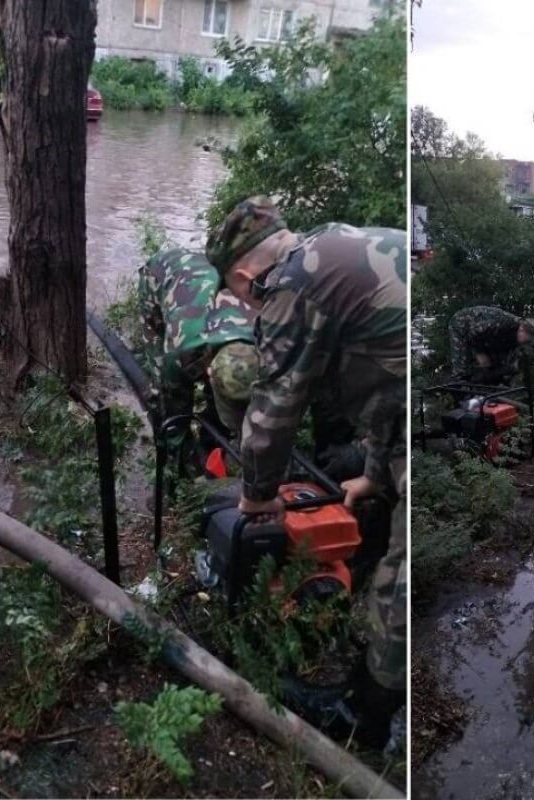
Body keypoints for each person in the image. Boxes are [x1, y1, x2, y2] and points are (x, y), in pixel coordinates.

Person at [206, 195, 407, 748]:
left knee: (401, 574)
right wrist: (374, 474)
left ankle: (365, 717)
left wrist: (255, 496)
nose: (250, 309)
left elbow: (275, 407)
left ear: (246, 276)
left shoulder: (292, 285)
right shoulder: (333, 242)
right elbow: (391, 389)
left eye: (241, 296)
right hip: (407, 412)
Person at [138, 248, 260, 470]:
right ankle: (174, 466)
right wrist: (179, 457)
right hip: (160, 274)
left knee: (225, 399)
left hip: (206, 278)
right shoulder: (180, 350)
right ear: (209, 372)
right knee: (160, 394)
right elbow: (174, 410)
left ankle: (211, 441)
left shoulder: (268, 334)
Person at [448, 305, 534, 385]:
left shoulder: (515, 332)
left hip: (483, 334)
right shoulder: (502, 323)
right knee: (461, 368)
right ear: (522, 328)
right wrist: (480, 353)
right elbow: (474, 333)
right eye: (528, 337)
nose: (528, 341)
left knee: (494, 367)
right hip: (463, 324)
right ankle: (455, 395)